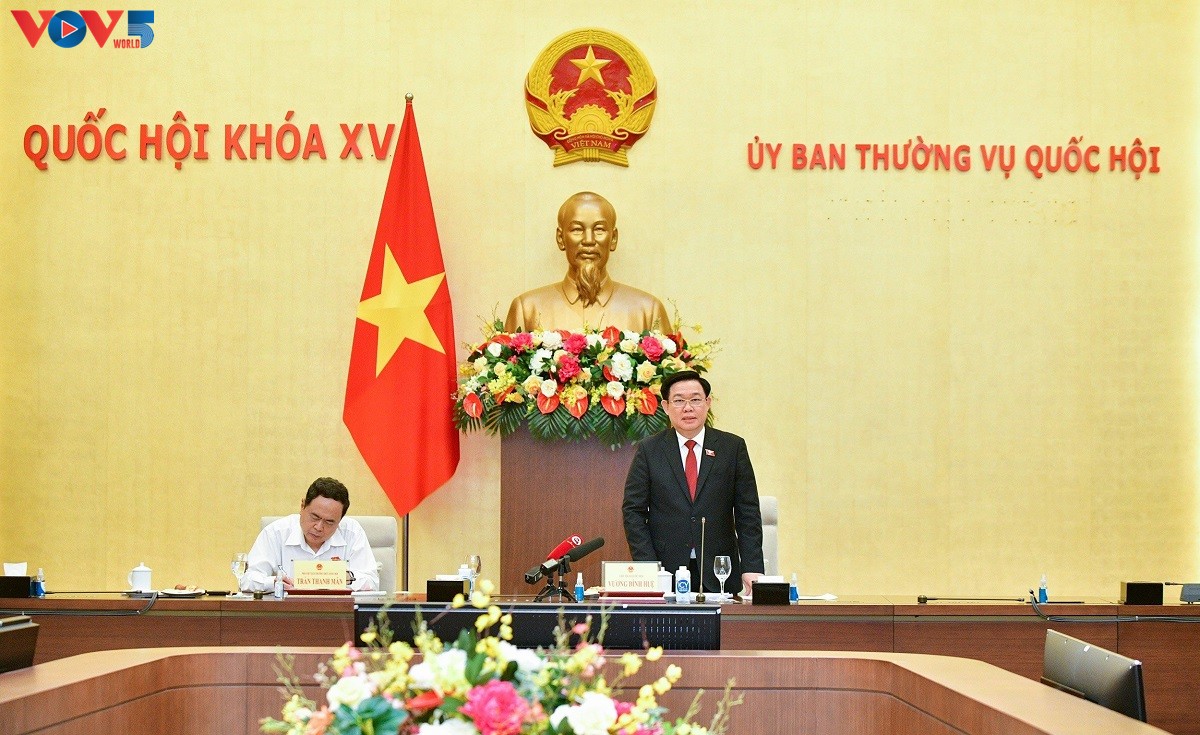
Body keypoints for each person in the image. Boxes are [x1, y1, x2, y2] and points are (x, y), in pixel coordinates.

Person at [622, 371, 764, 596]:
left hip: (720, 570)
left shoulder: (732, 447)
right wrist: (648, 567)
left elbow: (748, 512)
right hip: (665, 571)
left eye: (696, 399)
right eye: (679, 401)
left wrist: (752, 567)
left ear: (708, 403)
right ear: (666, 407)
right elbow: (633, 511)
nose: (688, 408)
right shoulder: (649, 450)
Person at [504, 191, 672, 333]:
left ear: (613, 238)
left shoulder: (648, 311)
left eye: (599, 229)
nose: (589, 240)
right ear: (560, 238)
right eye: (577, 229)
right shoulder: (527, 309)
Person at [243, 477, 380, 592]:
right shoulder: (276, 533)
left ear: (340, 520)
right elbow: (247, 580)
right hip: (289, 612)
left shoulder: (352, 533)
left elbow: (372, 582)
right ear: (302, 506)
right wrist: (274, 582)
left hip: (338, 612)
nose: (319, 527)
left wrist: (345, 577)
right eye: (315, 517)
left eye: (329, 522)